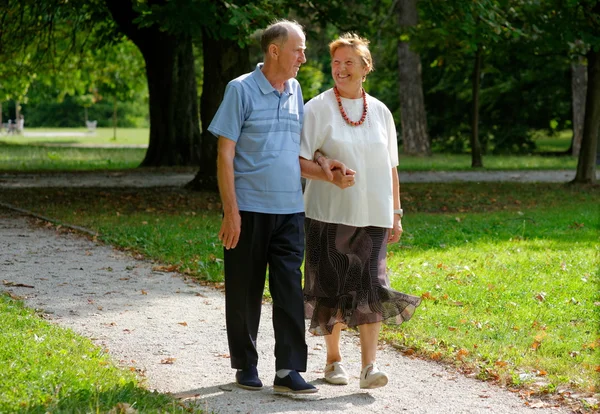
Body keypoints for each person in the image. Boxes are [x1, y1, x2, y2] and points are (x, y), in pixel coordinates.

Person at [208, 20, 326, 394]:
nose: (303, 58)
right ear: (274, 50)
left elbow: (296, 149)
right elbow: (224, 154)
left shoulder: (295, 90)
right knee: (244, 290)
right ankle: (245, 363)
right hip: (249, 209)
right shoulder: (240, 89)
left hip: (290, 209)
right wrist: (231, 211)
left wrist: (325, 166)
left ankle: (288, 370)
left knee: (290, 288)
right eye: (298, 49)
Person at [299, 33, 422, 389]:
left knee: (372, 286)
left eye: (348, 62)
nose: (340, 69)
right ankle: (333, 361)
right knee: (330, 285)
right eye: (335, 62)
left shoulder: (381, 111)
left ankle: (370, 366)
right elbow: (300, 157)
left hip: (374, 215)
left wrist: (396, 212)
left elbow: (391, 167)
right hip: (328, 213)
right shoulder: (317, 108)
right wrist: (324, 164)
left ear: (365, 68)